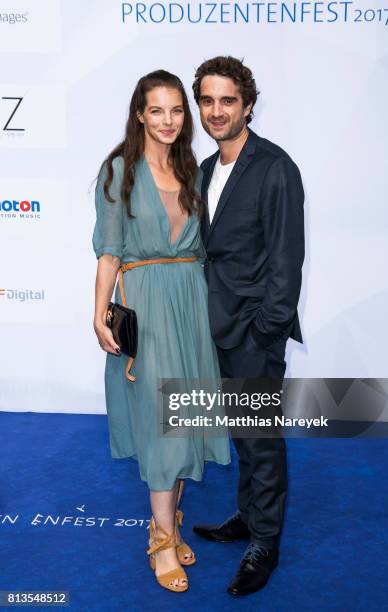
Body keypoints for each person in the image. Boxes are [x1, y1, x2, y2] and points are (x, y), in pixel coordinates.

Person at [92, 70, 230, 593]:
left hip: (190, 305)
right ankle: (162, 543)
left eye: (177, 111)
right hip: (144, 305)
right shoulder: (119, 171)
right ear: (139, 115)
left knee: (184, 418)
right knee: (159, 425)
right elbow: (109, 251)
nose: (169, 121)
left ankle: (163, 524)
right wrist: (99, 310)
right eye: (158, 111)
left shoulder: (193, 168)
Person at [191, 56, 305, 596]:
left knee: (261, 438)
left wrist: (267, 330)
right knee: (240, 431)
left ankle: (265, 542)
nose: (216, 111)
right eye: (208, 101)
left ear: (248, 105)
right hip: (214, 327)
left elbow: (286, 260)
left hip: (253, 332)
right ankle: (246, 515)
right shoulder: (205, 169)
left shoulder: (275, 166)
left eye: (227, 100)